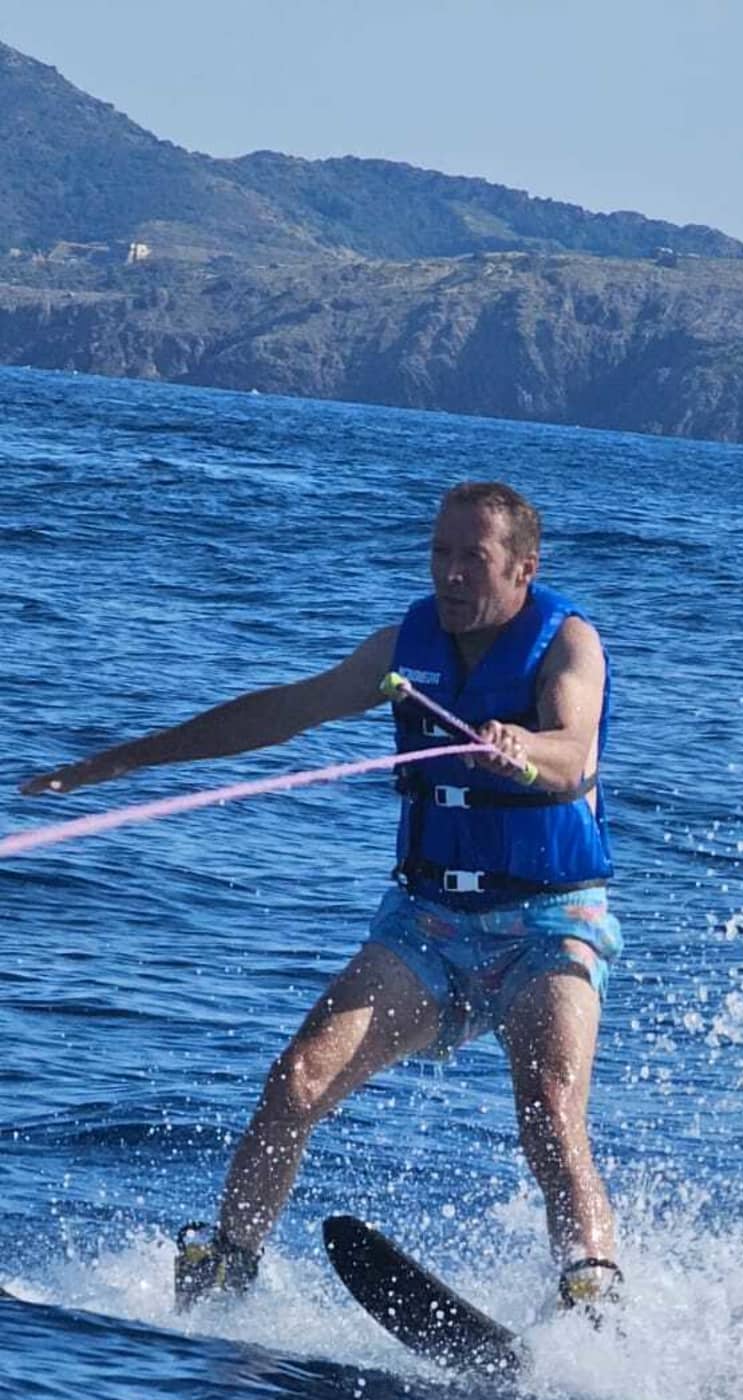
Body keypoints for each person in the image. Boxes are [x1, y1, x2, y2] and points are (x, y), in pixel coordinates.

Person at [22, 480, 623, 1319]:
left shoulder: (568, 644)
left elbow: (575, 758)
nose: (450, 575)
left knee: (550, 1111)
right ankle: (227, 1270)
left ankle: (593, 1305)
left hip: (549, 921)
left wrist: (523, 750)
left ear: (524, 567)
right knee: (295, 1082)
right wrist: (120, 762)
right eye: (439, 554)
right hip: (429, 924)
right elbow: (278, 715)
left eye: (473, 559)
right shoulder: (402, 649)